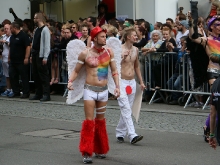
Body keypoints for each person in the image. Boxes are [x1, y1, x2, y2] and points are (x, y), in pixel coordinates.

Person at [67, 26, 120, 164]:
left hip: (103, 91)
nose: (105, 39)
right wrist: (70, 81)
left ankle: (100, 149)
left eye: (105, 36)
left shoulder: (109, 52)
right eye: (102, 36)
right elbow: (76, 70)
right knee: (89, 122)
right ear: (95, 38)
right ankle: (86, 152)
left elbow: (114, 71)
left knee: (100, 122)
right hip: (89, 91)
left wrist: (118, 87)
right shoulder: (85, 53)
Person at [188, 13, 220, 146]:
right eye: (217, 25)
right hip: (213, 72)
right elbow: (193, 37)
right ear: (211, 27)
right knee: (216, 104)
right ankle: (210, 128)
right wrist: (192, 24)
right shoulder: (207, 40)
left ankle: (209, 127)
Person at [116, 27, 145, 144]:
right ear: (128, 37)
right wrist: (122, 57)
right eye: (134, 35)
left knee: (126, 108)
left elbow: (136, 66)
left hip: (132, 82)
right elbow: (113, 66)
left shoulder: (136, 50)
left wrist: (141, 82)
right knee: (126, 108)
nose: (136, 37)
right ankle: (132, 134)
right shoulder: (119, 49)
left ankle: (120, 132)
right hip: (121, 81)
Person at [29, 12, 51, 101]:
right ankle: (38, 93)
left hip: (40, 54)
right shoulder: (36, 29)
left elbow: (46, 44)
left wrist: (45, 57)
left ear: (39, 18)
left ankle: (46, 94)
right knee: (36, 75)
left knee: (43, 75)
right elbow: (34, 43)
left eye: (35, 18)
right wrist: (31, 55)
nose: (34, 19)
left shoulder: (45, 30)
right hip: (35, 53)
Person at [8, 22, 31, 98]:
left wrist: (26, 57)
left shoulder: (23, 36)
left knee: (24, 77)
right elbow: (10, 48)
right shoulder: (12, 37)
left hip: (21, 60)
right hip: (13, 61)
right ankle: (16, 91)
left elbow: (28, 47)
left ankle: (26, 92)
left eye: (11, 28)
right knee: (12, 76)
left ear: (15, 28)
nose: (10, 30)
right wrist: (9, 57)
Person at [0, 24, 12, 97]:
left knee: (11, 75)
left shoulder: (12, 37)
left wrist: (6, 42)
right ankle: (8, 88)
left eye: (7, 28)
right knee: (6, 75)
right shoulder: (3, 37)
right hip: (3, 58)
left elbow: (11, 45)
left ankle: (12, 89)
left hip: (9, 58)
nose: (6, 30)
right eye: (5, 29)